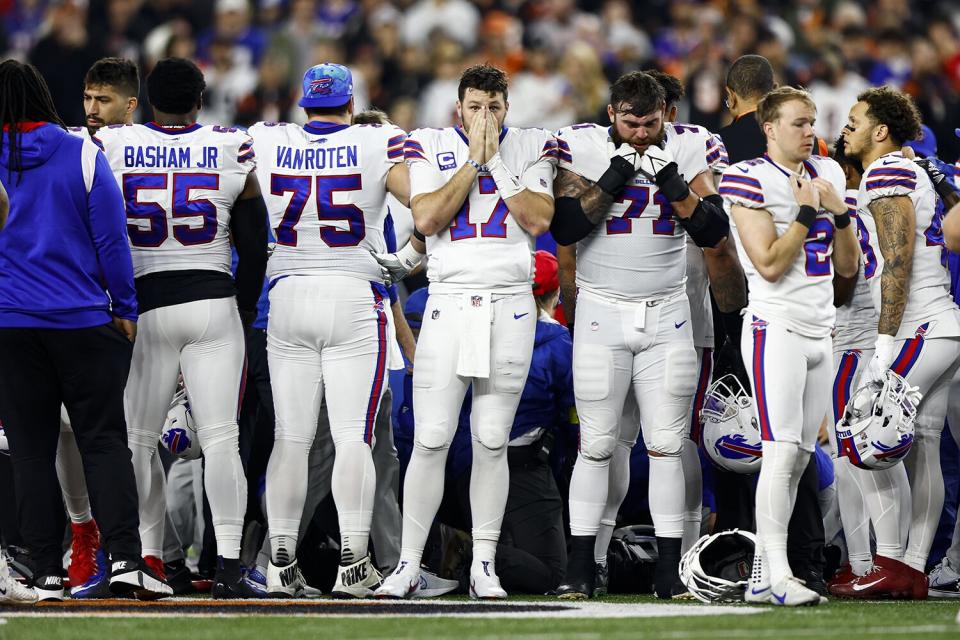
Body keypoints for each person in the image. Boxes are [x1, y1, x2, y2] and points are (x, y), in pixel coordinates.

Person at [548, 70, 732, 600]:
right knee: (598, 444)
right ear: (612, 114)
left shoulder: (691, 146)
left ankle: (669, 572)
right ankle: (581, 569)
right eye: (630, 124)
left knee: (667, 444)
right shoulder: (580, 146)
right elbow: (565, 228)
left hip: (669, 312)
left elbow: (713, 230)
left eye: (650, 123)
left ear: (664, 116)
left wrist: (670, 180)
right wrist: (615, 177)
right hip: (602, 312)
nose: (641, 133)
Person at [375, 63, 556, 600]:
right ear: (458, 108)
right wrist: (471, 163)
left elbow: (538, 219)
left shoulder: (531, 144)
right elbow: (428, 218)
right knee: (431, 438)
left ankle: (483, 564)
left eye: (495, 107)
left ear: (509, 107)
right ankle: (409, 564)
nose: (485, 116)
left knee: (492, 438)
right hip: (449, 300)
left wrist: (494, 161)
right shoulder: (429, 142)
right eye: (475, 107)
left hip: (510, 305)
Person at [93, 57, 268, 599]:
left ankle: (145, 560)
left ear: (145, 99)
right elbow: (254, 245)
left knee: (137, 443)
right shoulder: (229, 144)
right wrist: (240, 307)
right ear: (199, 98)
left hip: (141, 306)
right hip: (211, 298)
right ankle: (232, 569)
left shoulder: (113, 145)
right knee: (221, 440)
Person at [0, 59, 170, 602]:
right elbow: (111, 240)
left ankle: (46, 571)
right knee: (103, 442)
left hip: (11, 322)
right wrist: (125, 305)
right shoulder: (82, 153)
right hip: (81, 317)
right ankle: (124, 559)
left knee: (30, 450)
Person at [248, 64, 414, 598]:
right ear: (350, 103)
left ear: (303, 103)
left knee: (291, 440)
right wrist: (407, 258)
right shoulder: (377, 139)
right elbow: (427, 209)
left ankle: (278, 563)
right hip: (351, 296)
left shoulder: (267, 139)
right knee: (352, 439)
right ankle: (354, 564)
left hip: (288, 295)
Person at [720, 86, 859, 606]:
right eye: (798, 123)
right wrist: (804, 214)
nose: (809, 131)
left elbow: (849, 267)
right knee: (779, 454)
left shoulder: (830, 174)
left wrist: (840, 215)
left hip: (821, 329)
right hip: (774, 328)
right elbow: (771, 264)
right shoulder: (747, 176)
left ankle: (764, 572)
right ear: (770, 128)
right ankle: (772, 577)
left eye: (813, 122)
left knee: (800, 456)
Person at [832, 87, 960, 599]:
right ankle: (909, 567)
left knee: (865, 435)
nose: (846, 127)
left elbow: (896, 265)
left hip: (919, 324)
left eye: (855, 119)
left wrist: (883, 345)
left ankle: (890, 562)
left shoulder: (886, 171)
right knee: (923, 444)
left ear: (880, 130)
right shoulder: (906, 169)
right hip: (940, 322)